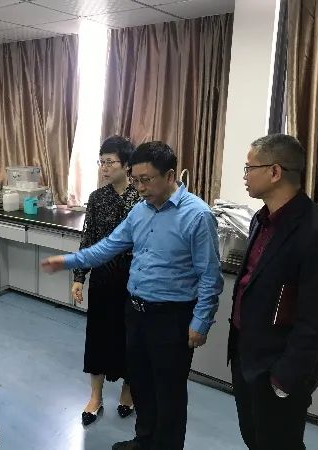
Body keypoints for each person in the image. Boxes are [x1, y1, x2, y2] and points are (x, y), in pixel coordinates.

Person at [42, 141, 223, 450]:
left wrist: (201, 321)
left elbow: (210, 276)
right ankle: (144, 441)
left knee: (169, 392)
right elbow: (108, 246)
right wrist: (70, 262)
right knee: (141, 383)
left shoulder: (197, 215)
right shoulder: (140, 211)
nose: (139, 188)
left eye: (146, 180)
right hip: (136, 311)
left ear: (170, 176)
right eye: (135, 180)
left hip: (172, 317)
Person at [228, 134, 318, 450]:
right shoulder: (261, 220)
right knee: (254, 438)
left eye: (249, 167)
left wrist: (284, 379)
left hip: (277, 369)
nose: (244, 175)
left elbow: (317, 321)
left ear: (275, 172)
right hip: (246, 356)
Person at [73, 136, 141, 426]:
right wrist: (79, 277)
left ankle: (128, 391)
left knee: (131, 338)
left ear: (126, 165)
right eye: (101, 162)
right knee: (98, 336)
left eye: (109, 162)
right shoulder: (97, 198)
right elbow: (88, 238)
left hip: (135, 280)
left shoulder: (142, 198)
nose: (104, 167)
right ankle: (95, 396)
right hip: (102, 278)